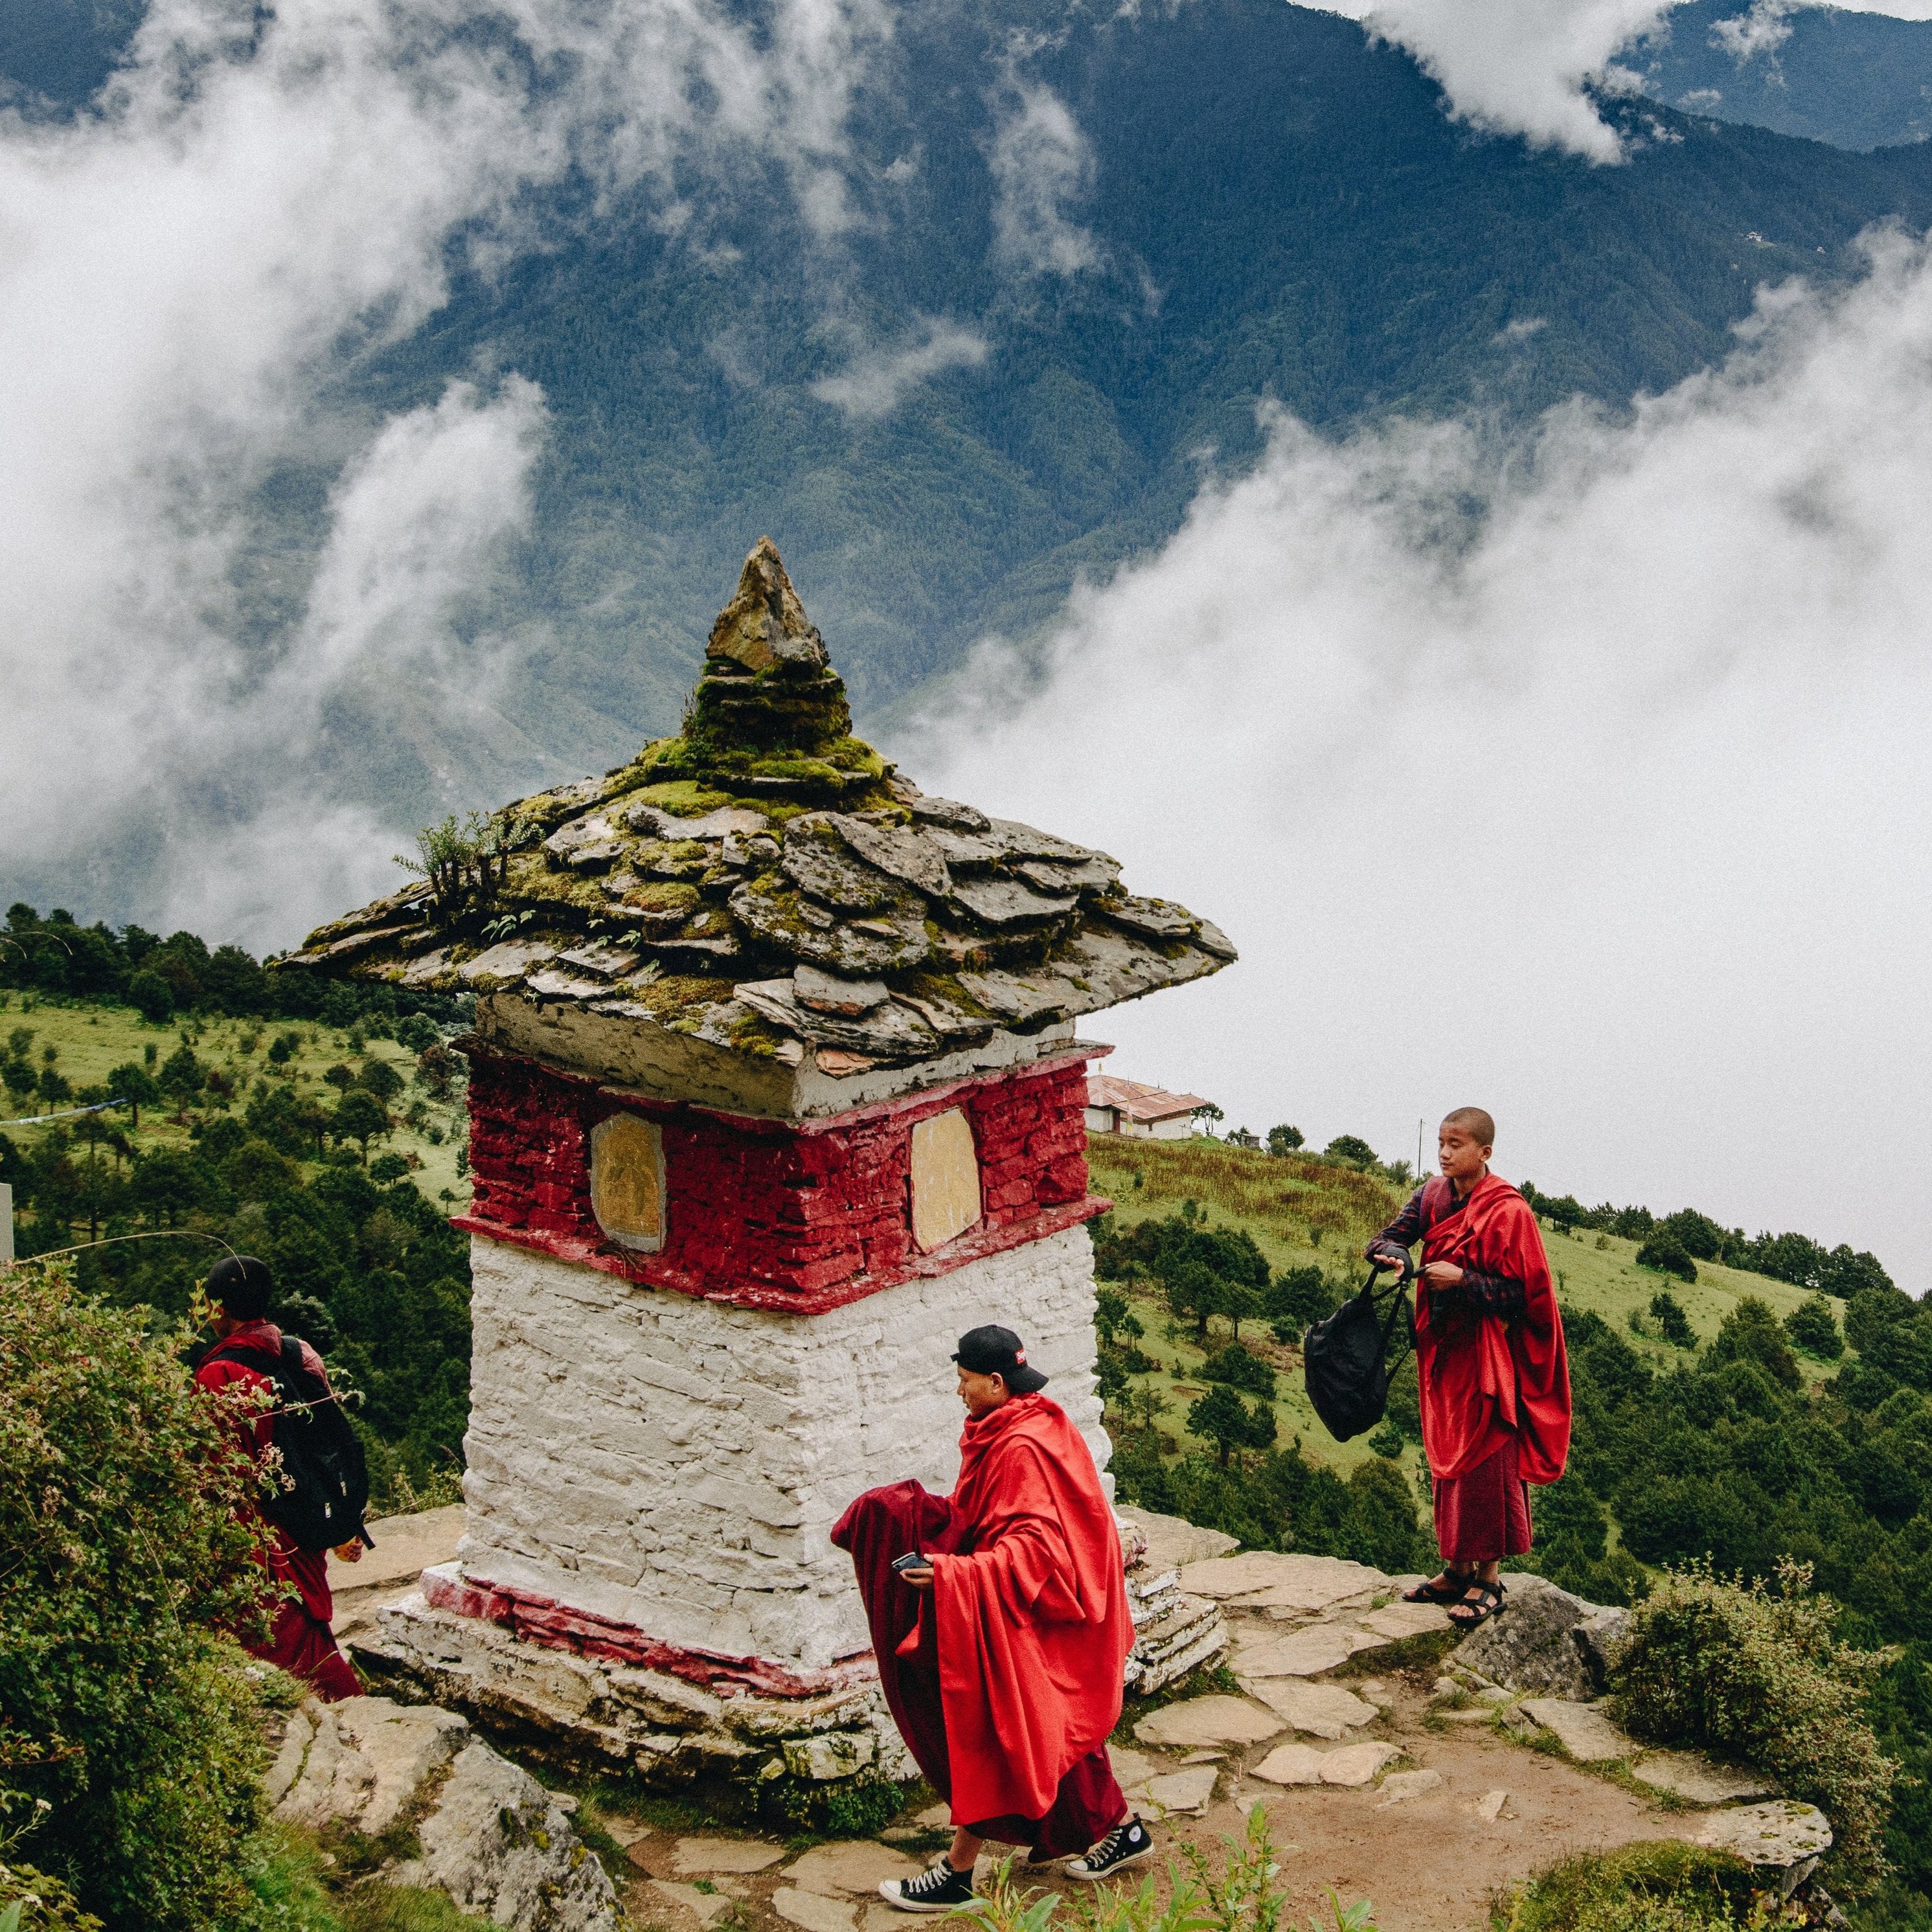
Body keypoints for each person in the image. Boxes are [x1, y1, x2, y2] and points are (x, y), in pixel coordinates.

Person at [832, 1325, 1150, 1912]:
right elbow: (991, 1519)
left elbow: (1036, 1548)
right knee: (1051, 1728)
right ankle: (1121, 1830)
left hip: (1044, 1608)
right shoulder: (1026, 1421)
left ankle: (957, 1871)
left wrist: (954, 1576)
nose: (958, 1390)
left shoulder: (1022, 1446)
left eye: (964, 1379)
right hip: (1028, 1602)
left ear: (996, 1381)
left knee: (995, 1725)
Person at [1365, 1109, 1571, 1631]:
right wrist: (1391, 1255)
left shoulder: (1509, 1211)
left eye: (1455, 1144)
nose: (1443, 1152)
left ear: (1484, 1152)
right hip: (1442, 1350)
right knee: (1447, 1457)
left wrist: (1462, 1281)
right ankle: (1456, 1569)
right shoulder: (1432, 1196)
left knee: (1487, 1460)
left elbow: (1523, 1295)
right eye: (1440, 1142)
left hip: (1489, 1353)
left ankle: (1490, 1578)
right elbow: (1387, 1238)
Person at [193, 1255, 365, 1701]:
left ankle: (347, 1712)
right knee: (303, 1630)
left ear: (218, 1309)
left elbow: (218, 1473)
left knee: (282, 1636)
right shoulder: (299, 1352)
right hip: (306, 1512)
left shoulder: (220, 1374)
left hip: (261, 1531)